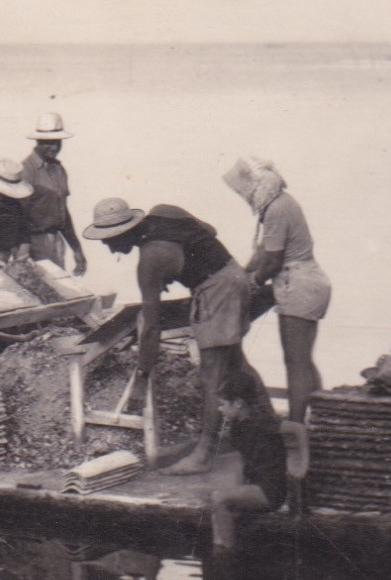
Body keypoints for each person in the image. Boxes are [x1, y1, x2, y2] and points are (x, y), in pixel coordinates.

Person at [83, 197, 270, 475]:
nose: (110, 248)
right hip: (235, 275)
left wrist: (142, 376)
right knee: (235, 363)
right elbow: (209, 232)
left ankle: (204, 454)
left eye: (109, 241)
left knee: (212, 376)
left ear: (123, 232)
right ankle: (270, 426)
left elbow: (151, 328)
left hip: (217, 291)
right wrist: (182, 264)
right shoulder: (165, 212)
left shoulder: (149, 261)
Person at [222, 157, 331, 423]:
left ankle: (295, 425)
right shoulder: (281, 203)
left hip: (298, 286)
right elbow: (262, 253)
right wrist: (242, 274)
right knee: (303, 361)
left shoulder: (276, 211)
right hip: (307, 282)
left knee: (295, 363)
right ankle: (320, 419)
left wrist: (251, 285)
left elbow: (272, 262)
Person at [211, 369, 288, 515]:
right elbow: (241, 461)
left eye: (223, 404)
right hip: (254, 487)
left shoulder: (262, 422)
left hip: (271, 490)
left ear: (238, 403)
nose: (220, 409)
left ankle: (221, 539)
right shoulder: (236, 429)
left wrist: (302, 462)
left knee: (219, 497)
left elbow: (298, 429)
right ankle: (224, 537)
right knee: (226, 504)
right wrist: (237, 490)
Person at [19, 112, 88, 276]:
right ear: (38, 141)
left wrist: (77, 249)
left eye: (58, 142)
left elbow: (63, 212)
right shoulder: (26, 170)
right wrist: (22, 254)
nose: (55, 147)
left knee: (60, 285)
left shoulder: (59, 169)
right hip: (32, 241)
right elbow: (18, 215)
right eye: (49, 143)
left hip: (56, 241)